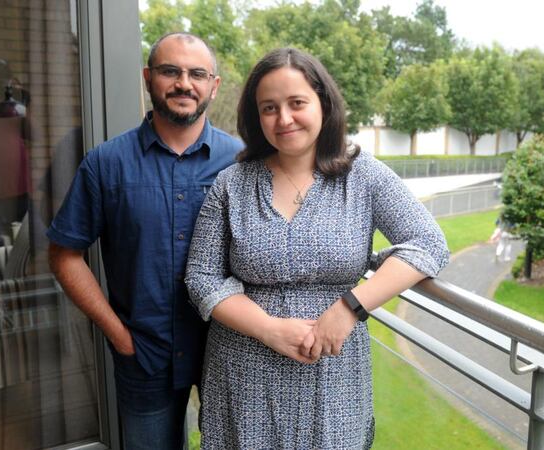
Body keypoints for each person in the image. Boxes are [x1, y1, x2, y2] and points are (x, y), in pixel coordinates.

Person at [185, 47, 450, 449]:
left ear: (323, 104)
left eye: (297, 103)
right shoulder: (231, 184)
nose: (284, 119)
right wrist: (269, 330)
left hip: (333, 373)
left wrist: (350, 307)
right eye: (269, 108)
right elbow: (202, 277)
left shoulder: (363, 176)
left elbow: (428, 243)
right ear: (256, 117)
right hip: (243, 371)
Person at [46, 32, 243, 450]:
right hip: (144, 356)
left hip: (228, 351)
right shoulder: (105, 163)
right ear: (148, 78)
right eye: (171, 71)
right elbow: (65, 255)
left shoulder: (242, 162)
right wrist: (117, 334)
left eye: (197, 74)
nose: (184, 84)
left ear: (214, 85)